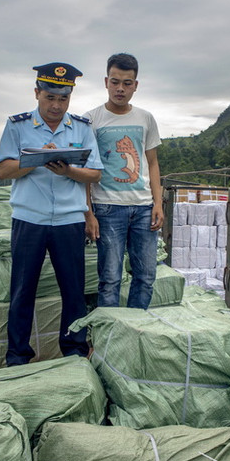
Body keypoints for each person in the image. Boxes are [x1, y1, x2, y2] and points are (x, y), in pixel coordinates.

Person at [0, 62, 103, 366]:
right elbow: (3, 170)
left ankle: (74, 352)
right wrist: (39, 158)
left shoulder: (81, 127)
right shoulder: (17, 126)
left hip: (69, 221)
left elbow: (94, 175)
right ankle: (17, 356)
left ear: (70, 97)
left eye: (63, 99)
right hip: (30, 220)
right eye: (50, 98)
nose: (56, 106)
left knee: (73, 292)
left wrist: (68, 169)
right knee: (22, 291)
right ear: (37, 93)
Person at [83, 53, 163, 309]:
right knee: (110, 279)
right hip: (107, 208)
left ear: (135, 85)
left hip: (143, 208)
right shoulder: (91, 119)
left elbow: (152, 163)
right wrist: (89, 213)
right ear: (106, 81)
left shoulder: (146, 118)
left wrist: (158, 204)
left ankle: (135, 333)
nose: (120, 89)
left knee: (146, 276)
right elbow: (86, 169)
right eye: (115, 81)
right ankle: (109, 338)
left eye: (127, 83)